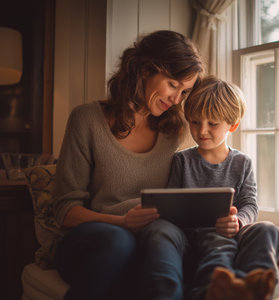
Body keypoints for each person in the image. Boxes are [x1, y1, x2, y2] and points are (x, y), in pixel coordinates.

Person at [52, 30, 204, 300]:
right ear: (145, 70)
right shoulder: (86, 119)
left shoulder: (175, 132)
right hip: (94, 240)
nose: (176, 100)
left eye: (184, 91)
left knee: (160, 248)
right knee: (119, 242)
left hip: (150, 240)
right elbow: (65, 211)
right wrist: (122, 222)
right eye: (172, 85)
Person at [166, 76, 279, 300]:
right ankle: (211, 291)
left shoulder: (242, 163)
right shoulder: (181, 161)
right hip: (199, 235)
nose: (202, 131)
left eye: (212, 124)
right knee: (217, 241)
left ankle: (253, 285)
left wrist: (238, 221)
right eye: (194, 122)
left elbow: (250, 204)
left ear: (233, 125)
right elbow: (172, 206)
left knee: (268, 230)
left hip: (235, 231)